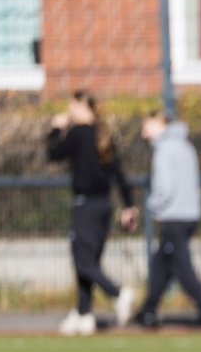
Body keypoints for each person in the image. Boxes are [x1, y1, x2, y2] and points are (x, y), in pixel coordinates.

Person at [46, 90, 139, 336]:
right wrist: (128, 205)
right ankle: (84, 315)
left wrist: (55, 129)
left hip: (85, 206)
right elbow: (119, 175)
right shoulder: (103, 135)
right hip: (104, 207)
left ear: (81, 106)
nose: (68, 111)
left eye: (71, 106)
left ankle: (118, 293)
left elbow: (53, 154)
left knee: (82, 260)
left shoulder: (78, 133)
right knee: (88, 261)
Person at [135, 109, 201, 328]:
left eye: (147, 125)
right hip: (189, 214)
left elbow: (165, 187)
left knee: (181, 266)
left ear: (160, 123)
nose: (144, 133)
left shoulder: (164, 149)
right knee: (162, 263)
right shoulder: (186, 146)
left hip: (174, 216)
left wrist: (151, 205)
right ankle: (147, 310)